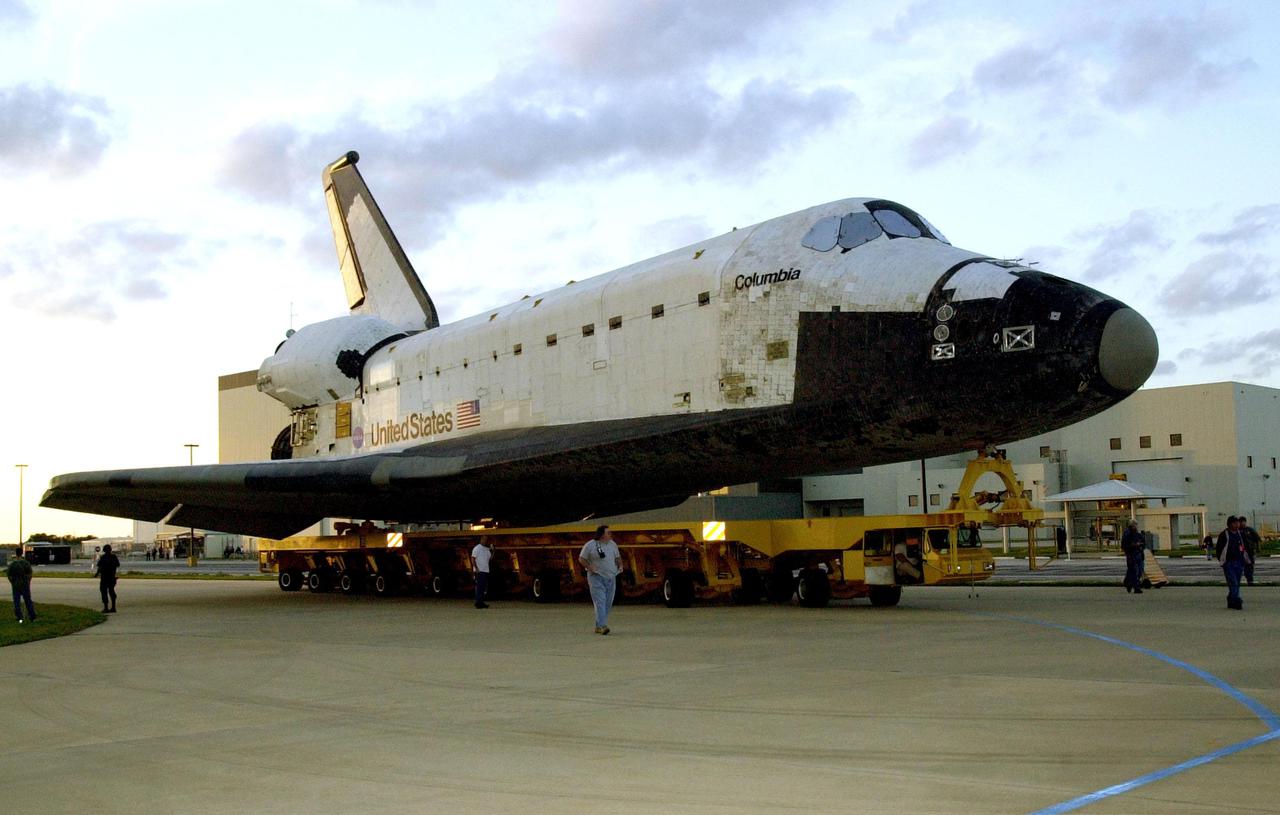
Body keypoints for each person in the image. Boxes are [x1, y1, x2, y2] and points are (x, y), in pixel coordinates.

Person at [578, 525, 622, 635]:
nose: (610, 535)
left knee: (608, 602)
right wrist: (589, 567)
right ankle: (603, 626)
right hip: (596, 577)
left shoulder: (613, 544)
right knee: (600, 601)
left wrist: (620, 565)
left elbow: (617, 557)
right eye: (608, 533)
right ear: (602, 534)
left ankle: (599, 625)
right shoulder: (590, 545)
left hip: (611, 577)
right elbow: (581, 558)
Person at [1216, 516, 1252, 610]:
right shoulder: (1224, 535)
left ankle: (1231, 599)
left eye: (1238, 523)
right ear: (1230, 524)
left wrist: (1247, 559)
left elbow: (1244, 547)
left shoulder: (1240, 534)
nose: (1237, 524)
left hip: (1239, 562)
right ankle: (1236, 600)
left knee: (1236, 583)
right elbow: (1219, 549)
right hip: (1229, 563)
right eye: (1235, 523)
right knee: (1233, 582)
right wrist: (1222, 561)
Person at [7, 547, 35, 623]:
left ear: (16, 553)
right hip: (25, 584)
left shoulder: (12, 564)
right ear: (22, 553)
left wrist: (12, 582)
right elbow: (30, 573)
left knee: (16, 602)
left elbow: (9, 575)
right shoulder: (26, 563)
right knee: (28, 601)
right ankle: (32, 616)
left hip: (16, 585)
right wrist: (28, 581)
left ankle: (19, 617)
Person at [95, 543, 121, 613]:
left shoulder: (103, 557)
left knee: (104, 591)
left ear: (104, 550)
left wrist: (97, 574)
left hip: (104, 577)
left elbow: (100, 567)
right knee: (111, 591)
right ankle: (113, 607)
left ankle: (106, 607)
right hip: (112, 577)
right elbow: (118, 565)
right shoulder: (114, 557)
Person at [1120, 520, 1144, 594]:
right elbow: (1124, 545)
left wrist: (1140, 544)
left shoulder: (1136, 533)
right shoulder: (1127, 533)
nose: (1136, 526)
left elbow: (1141, 540)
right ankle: (1136, 587)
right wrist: (1134, 545)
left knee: (1139, 570)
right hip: (1131, 554)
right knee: (1134, 571)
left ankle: (1128, 582)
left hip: (1138, 553)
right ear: (1132, 525)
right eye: (1135, 524)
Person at [470, 539, 492, 609]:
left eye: (486, 540)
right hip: (479, 571)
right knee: (479, 587)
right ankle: (478, 602)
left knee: (483, 587)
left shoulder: (486, 549)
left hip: (485, 570)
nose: (485, 541)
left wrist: (493, 550)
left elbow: (490, 558)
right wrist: (476, 568)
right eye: (484, 539)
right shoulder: (477, 548)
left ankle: (481, 602)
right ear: (481, 540)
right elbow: (473, 558)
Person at [1239, 518, 1261, 586]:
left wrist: (1258, 548)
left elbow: (1257, 539)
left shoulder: (1250, 530)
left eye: (1243, 522)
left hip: (1251, 551)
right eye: (1241, 522)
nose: (1242, 523)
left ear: (1245, 522)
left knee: (1250, 565)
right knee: (1243, 566)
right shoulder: (1238, 531)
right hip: (1242, 552)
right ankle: (1246, 577)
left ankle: (1250, 579)